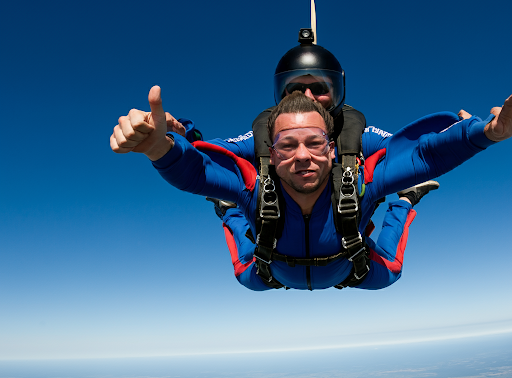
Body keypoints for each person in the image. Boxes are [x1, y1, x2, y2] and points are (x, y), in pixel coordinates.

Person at [110, 85, 512, 291]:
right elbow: (195, 171)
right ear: (270, 151)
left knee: (389, 271)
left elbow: (424, 155)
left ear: (332, 148)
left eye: (314, 143)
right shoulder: (253, 185)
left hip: (347, 266)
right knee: (242, 262)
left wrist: (488, 132)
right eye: (287, 145)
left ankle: (406, 201)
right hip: (271, 269)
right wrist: (159, 149)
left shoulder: (360, 181)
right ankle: (228, 210)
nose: (302, 156)